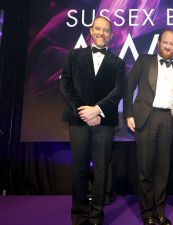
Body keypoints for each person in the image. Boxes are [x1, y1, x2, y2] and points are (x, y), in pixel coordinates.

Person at [60, 16, 125, 225]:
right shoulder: (74, 55)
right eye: (98, 29)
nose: (101, 33)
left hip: (103, 123)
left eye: (106, 30)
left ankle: (97, 216)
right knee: (79, 168)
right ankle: (78, 216)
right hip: (78, 120)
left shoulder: (118, 62)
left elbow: (119, 90)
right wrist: (84, 111)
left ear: (111, 35)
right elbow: (66, 84)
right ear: (91, 30)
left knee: (101, 170)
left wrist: (97, 110)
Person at [123, 28, 173, 225]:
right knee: (146, 168)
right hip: (146, 119)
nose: (168, 46)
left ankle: (160, 212)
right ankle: (147, 213)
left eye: (172, 44)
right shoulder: (144, 60)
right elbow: (128, 88)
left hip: (167, 120)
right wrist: (129, 114)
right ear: (159, 43)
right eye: (166, 42)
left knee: (163, 170)